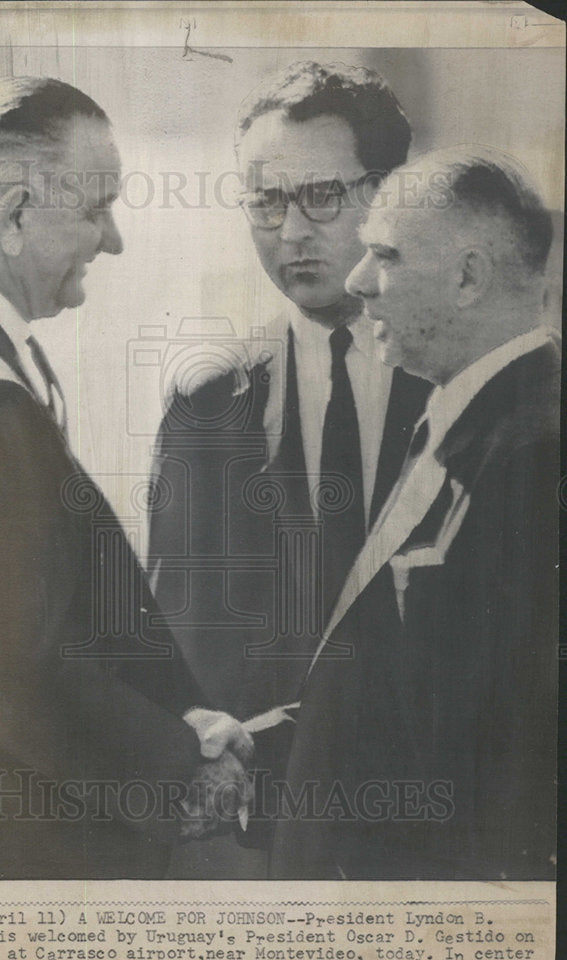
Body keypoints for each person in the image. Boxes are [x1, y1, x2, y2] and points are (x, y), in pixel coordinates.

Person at [0, 76, 254, 880]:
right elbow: (14, 675)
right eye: (96, 210)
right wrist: (178, 765)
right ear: (17, 213)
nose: (113, 240)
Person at [270, 147, 559, 879]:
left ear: (467, 278)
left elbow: (498, 761)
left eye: (384, 255)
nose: (358, 282)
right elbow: (392, 683)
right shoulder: (463, 418)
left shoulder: (535, 454)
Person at [149, 62, 430, 726]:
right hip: (272, 808)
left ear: (389, 196)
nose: (291, 232)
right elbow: (182, 645)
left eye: (322, 194)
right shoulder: (209, 399)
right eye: (266, 201)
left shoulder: (460, 377)